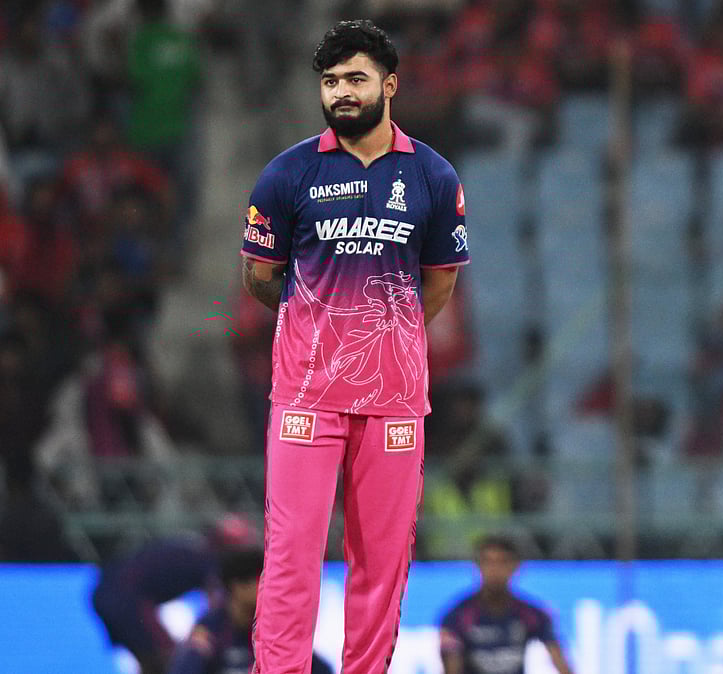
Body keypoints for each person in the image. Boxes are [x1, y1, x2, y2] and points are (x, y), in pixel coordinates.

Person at [239, 20, 469, 673]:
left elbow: (439, 285)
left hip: (394, 403)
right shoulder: (287, 174)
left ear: (389, 85)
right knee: (291, 561)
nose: (341, 92)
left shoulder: (431, 175)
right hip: (307, 398)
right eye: (331, 81)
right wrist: (319, 324)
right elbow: (260, 278)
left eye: (355, 79)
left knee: (383, 568)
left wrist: (384, 332)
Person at [91, 517, 254, 674]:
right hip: (128, 597)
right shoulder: (208, 558)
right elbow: (219, 604)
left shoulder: (191, 547)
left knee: (149, 657)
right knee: (167, 657)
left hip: (103, 592)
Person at [168, 546, 333, 674]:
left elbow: (320, 669)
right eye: (261, 581)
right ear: (237, 586)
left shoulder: (275, 629)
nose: (270, 588)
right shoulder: (211, 628)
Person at [439, 535, 572, 674]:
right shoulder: (457, 616)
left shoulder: (531, 614)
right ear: (478, 566)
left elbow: (560, 661)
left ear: (515, 566)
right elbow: (451, 668)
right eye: (488, 562)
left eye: (502, 562)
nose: (494, 570)